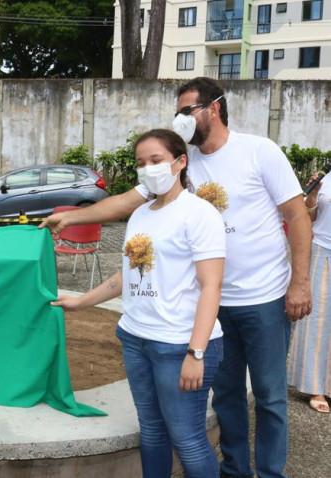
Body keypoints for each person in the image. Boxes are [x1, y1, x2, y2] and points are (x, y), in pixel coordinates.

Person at [42, 77, 311, 478]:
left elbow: (297, 215)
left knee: (270, 396)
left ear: (214, 108)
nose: (181, 119)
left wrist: (300, 283)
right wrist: (70, 216)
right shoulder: (177, 167)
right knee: (228, 396)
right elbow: (122, 205)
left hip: (262, 295)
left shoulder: (259, 152)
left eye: (187, 110)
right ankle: (235, 469)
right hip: (210, 306)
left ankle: (271, 473)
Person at [54, 129, 226, 477]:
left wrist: (197, 353)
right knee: (151, 430)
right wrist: (81, 301)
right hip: (135, 338)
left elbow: (212, 286)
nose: (148, 169)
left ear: (180, 162)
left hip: (178, 345)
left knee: (188, 438)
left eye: (156, 160)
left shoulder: (199, 213)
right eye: (141, 163)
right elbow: (128, 277)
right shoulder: (141, 214)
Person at [287, 171, 331, 413]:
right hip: (322, 249)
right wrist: (312, 194)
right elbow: (307, 215)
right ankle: (316, 386)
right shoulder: (327, 178)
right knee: (318, 320)